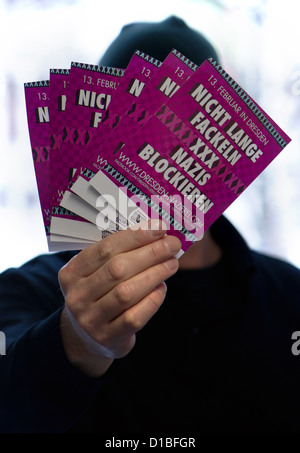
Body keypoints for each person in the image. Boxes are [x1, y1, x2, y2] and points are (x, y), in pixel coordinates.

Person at [1, 16, 300, 434]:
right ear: (93, 141)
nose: (163, 148)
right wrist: (74, 342)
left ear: (221, 151)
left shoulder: (288, 294)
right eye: (137, 128)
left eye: (183, 128)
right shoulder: (30, 290)